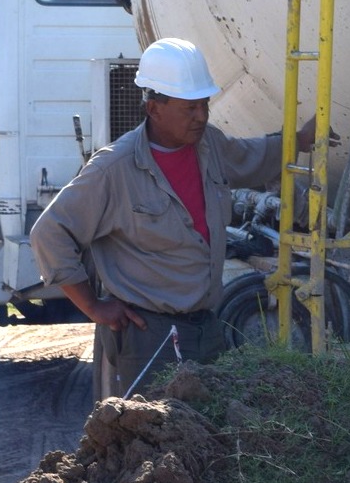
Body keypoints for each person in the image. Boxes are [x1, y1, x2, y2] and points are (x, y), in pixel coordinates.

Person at [29, 37, 309, 400]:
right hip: (149, 335)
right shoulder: (114, 168)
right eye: (190, 108)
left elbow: (249, 155)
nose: (202, 116)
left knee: (204, 435)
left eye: (204, 104)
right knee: (155, 442)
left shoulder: (209, 145)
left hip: (205, 325)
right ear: (154, 107)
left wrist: (299, 140)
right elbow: (49, 233)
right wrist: (94, 307)